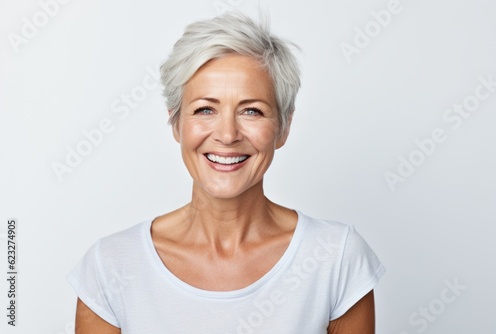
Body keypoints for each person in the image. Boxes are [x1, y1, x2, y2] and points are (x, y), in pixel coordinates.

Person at [68, 12, 385, 334]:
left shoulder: (335, 255)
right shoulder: (111, 265)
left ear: (284, 128)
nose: (228, 134)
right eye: (206, 109)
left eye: (252, 111)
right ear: (176, 123)